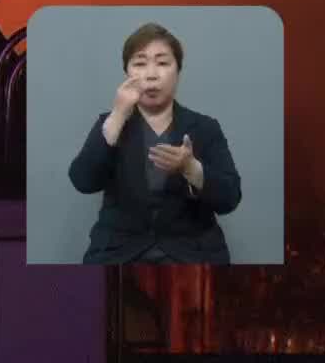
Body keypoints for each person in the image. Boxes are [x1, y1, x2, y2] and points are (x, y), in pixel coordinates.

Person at [67, 22, 243, 263]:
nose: (151, 74)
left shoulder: (205, 127)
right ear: (127, 73)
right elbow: (82, 181)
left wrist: (191, 168)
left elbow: (230, 198)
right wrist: (117, 116)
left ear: (177, 71)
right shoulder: (110, 123)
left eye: (162, 63)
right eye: (139, 64)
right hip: (118, 253)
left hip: (192, 253)